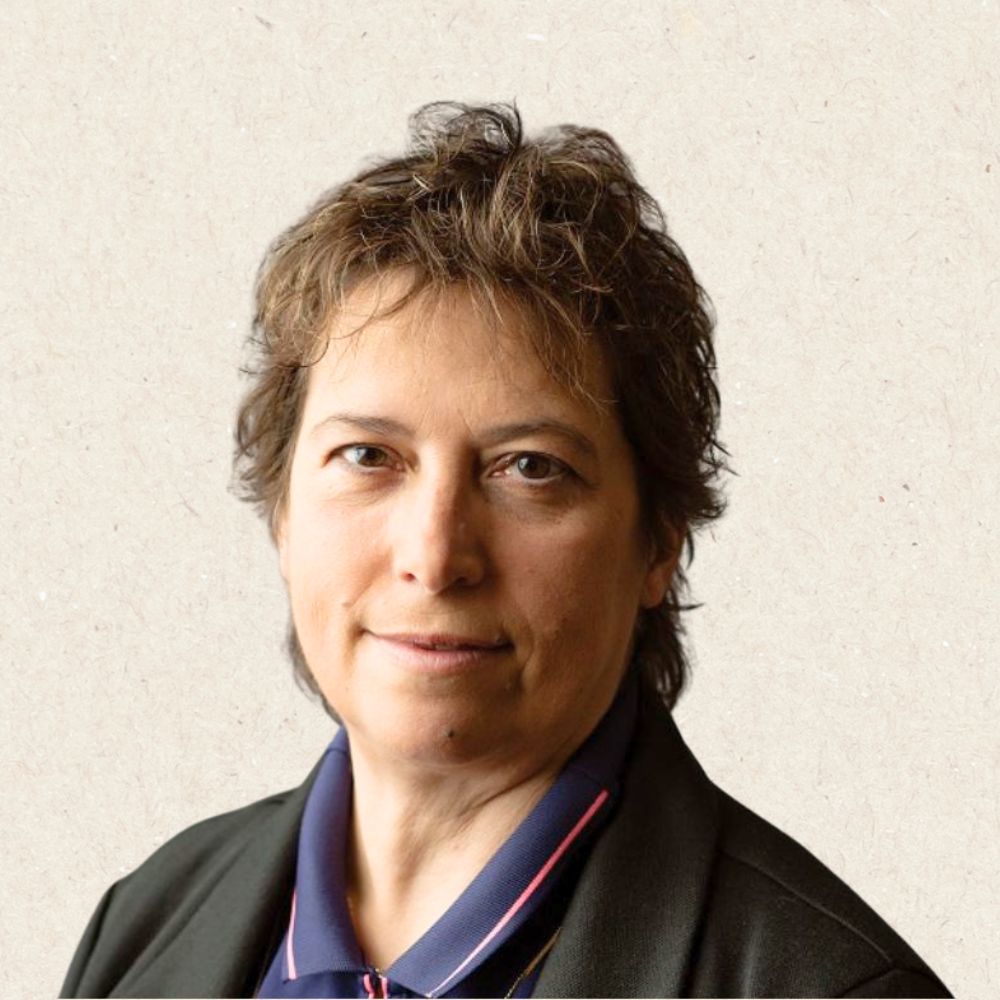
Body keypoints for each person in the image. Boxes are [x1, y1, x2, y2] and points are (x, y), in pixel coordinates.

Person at [61, 102, 950, 999]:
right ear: (283, 510)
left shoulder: (834, 985)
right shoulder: (140, 928)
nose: (436, 556)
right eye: (367, 456)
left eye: (530, 468)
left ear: (659, 540)